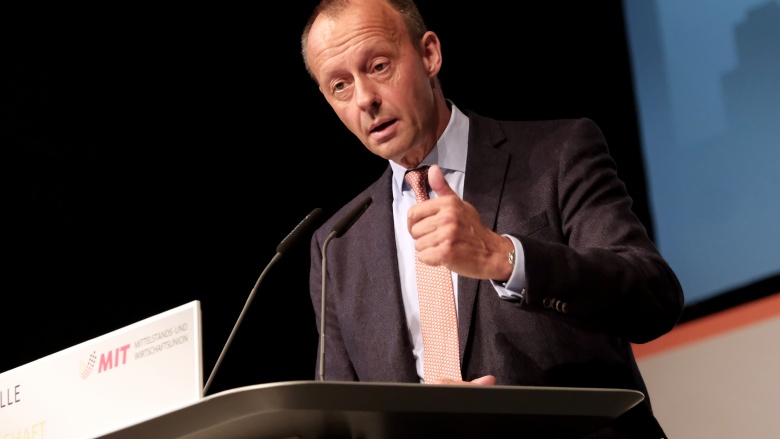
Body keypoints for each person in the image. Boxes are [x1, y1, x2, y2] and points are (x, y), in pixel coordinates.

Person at [301, 0, 684, 437]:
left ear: (429, 54)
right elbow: (337, 418)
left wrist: (503, 257)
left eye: (379, 66)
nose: (365, 98)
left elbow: (653, 299)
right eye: (340, 85)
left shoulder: (557, 155)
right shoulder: (337, 244)